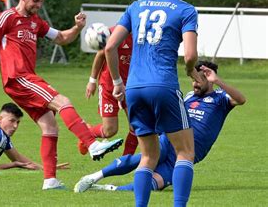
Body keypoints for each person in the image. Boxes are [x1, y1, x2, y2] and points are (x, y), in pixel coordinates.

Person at [0, 0, 123, 190]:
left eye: (41, 1)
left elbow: (62, 37)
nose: (38, 5)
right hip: (17, 77)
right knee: (62, 101)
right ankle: (93, 145)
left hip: (25, 78)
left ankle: (50, 180)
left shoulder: (36, 22)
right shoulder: (6, 18)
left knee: (49, 125)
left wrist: (77, 27)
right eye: (35, 0)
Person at [103, 0, 203, 206]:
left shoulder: (136, 6)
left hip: (135, 88)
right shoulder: (186, 10)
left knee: (148, 156)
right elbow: (190, 54)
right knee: (186, 152)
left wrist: (118, 83)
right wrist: (191, 71)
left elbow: (110, 47)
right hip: (164, 86)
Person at [74, 61, 246, 194]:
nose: (195, 84)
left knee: (154, 185)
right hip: (172, 141)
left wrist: (217, 80)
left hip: (188, 154)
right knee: (142, 158)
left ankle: (108, 189)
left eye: (199, 80)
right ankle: (93, 177)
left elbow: (241, 99)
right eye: (193, 80)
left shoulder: (221, 98)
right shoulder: (188, 96)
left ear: (210, 80)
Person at [81, 26, 138, 156]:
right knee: (110, 131)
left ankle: (124, 161)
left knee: (136, 126)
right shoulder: (113, 33)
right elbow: (100, 55)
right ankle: (86, 134)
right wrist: (92, 81)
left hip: (130, 87)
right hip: (108, 87)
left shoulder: (142, 37)